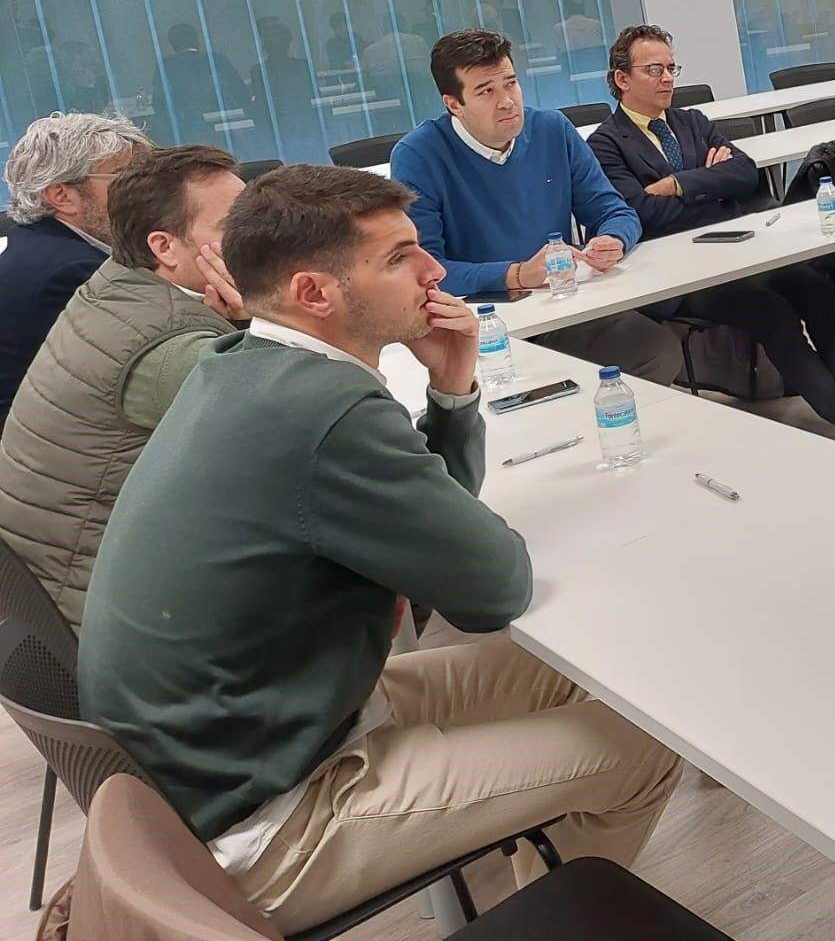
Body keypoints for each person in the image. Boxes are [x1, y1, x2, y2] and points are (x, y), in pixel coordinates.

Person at [77, 165, 682, 933]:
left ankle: (535, 888)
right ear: (314, 294)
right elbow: (492, 587)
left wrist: (453, 390)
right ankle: (549, 915)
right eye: (399, 257)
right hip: (272, 819)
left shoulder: (247, 365)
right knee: (641, 752)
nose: (433, 271)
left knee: (567, 674)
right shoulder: (323, 409)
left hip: (248, 744)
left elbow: (440, 529)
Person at [589, 24, 835, 463]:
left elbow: (745, 174)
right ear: (622, 79)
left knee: (813, 287)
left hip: (737, 249)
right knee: (771, 312)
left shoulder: (691, 121)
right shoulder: (605, 144)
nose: (667, 79)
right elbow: (643, 214)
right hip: (678, 274)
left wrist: (680, 183)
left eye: (671, 68)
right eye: (654, 70)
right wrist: (711, 189)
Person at [0, 145, 244, 627]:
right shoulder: (168, 347)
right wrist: (271, 319)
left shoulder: (113, 282)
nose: (264, 239)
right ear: (164, 247)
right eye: (236, 227)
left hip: (61, 595)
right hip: (127, 627)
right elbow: (303, 430)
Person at [389, 29, 684, 385]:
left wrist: (613, 239)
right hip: (485, 324)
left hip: (563, 305)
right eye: (486, 91)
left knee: (657, 350)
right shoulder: (419, 155)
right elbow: (426, 272)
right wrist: (514, 275)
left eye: (510, 83)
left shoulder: (551, 129)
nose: (507, 101)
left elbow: (615, 210)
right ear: (454, 103)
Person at [0, 113, 151, 428]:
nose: (145, 191)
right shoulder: (73, 272)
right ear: (62, 196)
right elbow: (151, 366)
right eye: (124, 176)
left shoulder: (35, 243)